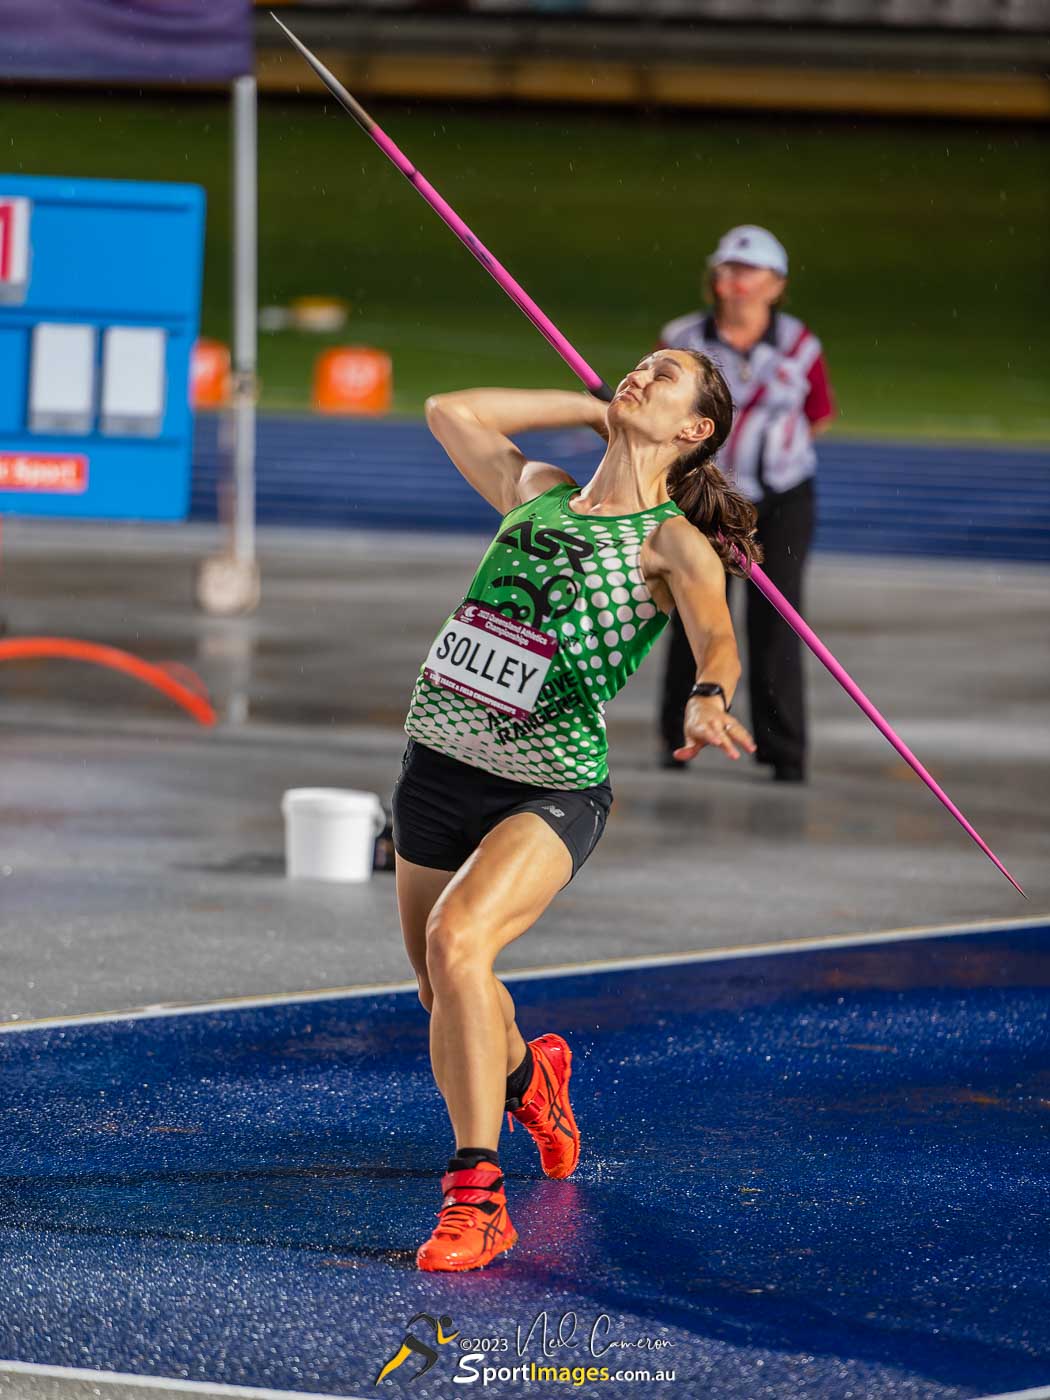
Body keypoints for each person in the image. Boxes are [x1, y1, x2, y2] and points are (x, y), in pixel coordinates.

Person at [391, 347, 762, 1273]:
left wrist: (709, 696)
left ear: (695, 431)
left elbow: (717, 635)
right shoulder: (538, 491)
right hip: (437, 766)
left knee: (458, 946)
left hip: (548, 785)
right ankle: (533, 1077)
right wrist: (596, 409)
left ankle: (477, 1197)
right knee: (446, 994)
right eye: (638, 367)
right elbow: (450, 404)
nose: (640, 375)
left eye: (663, 378)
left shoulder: (670, 540)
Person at [657, 225, 836, 782]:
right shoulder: (682, 337)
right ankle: (681, 734)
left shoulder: (801, 344)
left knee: (778, 622)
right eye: (728, 270)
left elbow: (819, 414)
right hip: (703, 497)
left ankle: (783, 750)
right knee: (693, 611)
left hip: (780, 499)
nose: (735, 281)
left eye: (749, 271)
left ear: (776, 286)